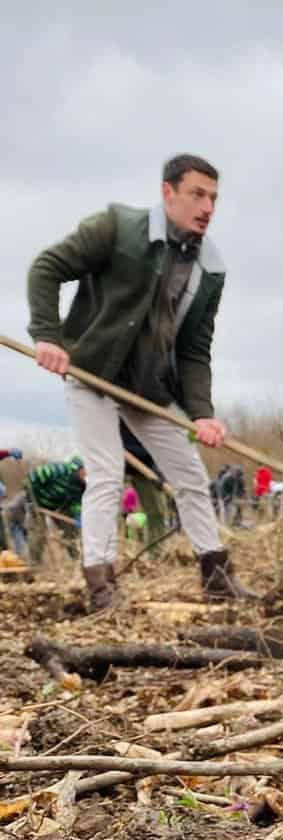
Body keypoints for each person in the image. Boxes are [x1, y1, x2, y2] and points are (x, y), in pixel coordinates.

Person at [26, 153, 255, 609]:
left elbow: (193, 350)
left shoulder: (210, 268)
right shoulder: (115, 228)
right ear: (167, 192)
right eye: (196, 194)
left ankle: (216, 575)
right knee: (107, 474)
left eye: (213, 198)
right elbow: (46, 268)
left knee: (190, 474)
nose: (207, 206)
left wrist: (202, 413)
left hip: (149, 389)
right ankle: (101, 585)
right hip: (91, 375)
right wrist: (49, 337)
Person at [4, 456, 87, 562]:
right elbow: (32, 478)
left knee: (71, 532)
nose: (86, 474)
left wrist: (78, 516)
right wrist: (31, 498)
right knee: (38, 533)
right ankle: (35, 565)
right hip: (37, 502)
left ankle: (77, 560)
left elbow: (75, 503)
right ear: (78, 468)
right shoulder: (59, 470)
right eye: (84, 470)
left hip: (60, 507)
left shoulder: (81, 485)